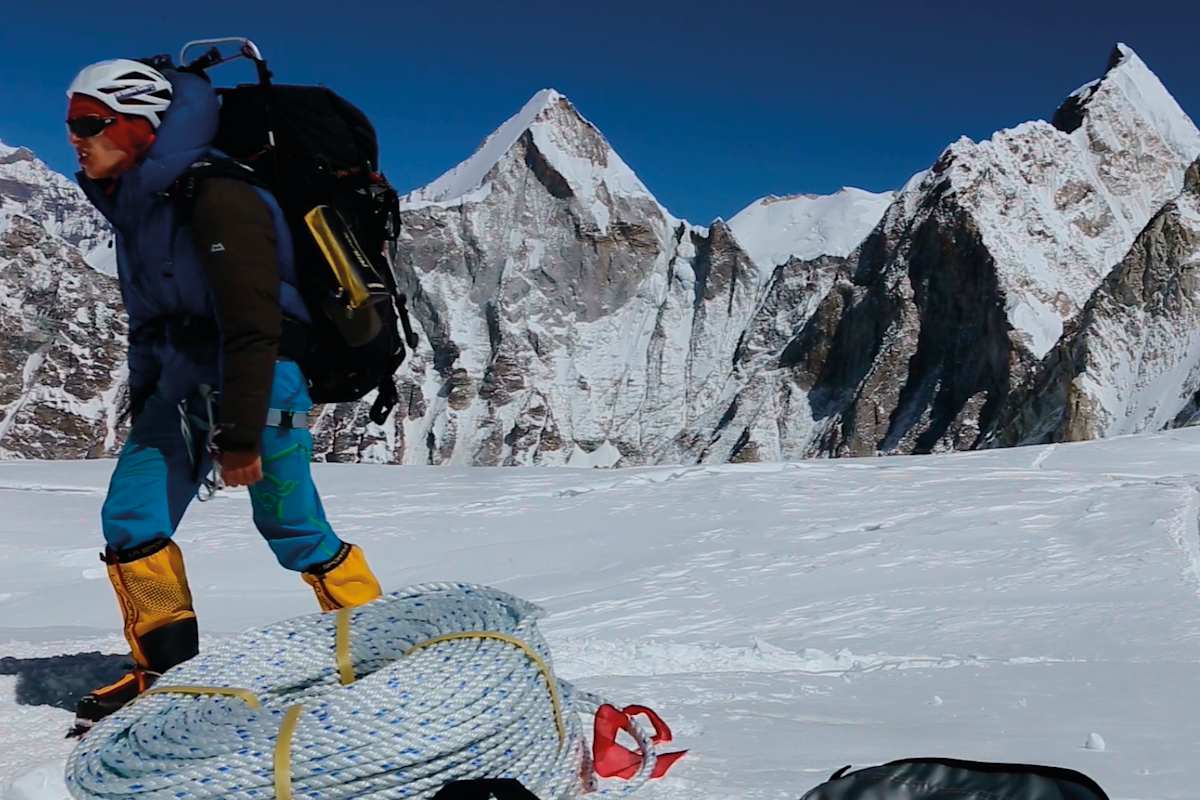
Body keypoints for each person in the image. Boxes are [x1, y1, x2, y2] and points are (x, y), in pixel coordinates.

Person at [65, 58, 384, 734]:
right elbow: (152, 318)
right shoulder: (140, 208)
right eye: (73, 124)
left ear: (141, 125)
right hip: (182, 386)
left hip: (263, 383)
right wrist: (149, 397)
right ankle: (166, 677)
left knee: (294, 530)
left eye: (90, 123)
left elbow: (254, 322)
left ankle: (382, 655)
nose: (77, 138)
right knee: (132, 519)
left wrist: (240, 434)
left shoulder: (218, 194)